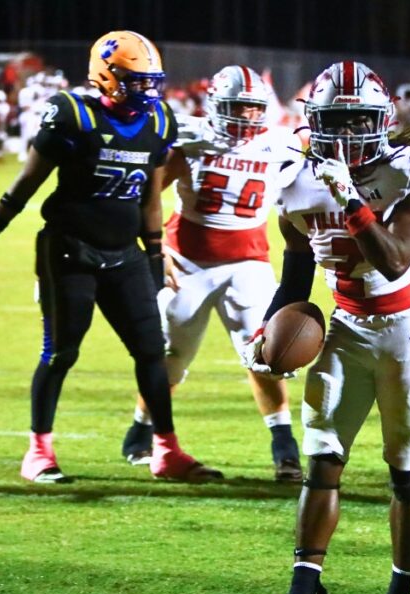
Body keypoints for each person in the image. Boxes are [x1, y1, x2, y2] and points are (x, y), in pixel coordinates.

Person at [0, 30, 222, 485]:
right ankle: (38, 451)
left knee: (152, 352)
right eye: (136, 80)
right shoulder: (73, 114)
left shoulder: (158, 120)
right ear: (106, 76)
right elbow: (27, 183)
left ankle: (166, 450)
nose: (146, 90)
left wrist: (155, 256)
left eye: (150, 81)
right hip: (70, 250)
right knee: (60, 353)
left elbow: (150, 198)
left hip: (125, 254)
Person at [246, 61, 410, 594]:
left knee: (404, 471)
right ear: (315, 121)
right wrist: (268, 331)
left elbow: (395, 261)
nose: (350, 132)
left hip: (405, 334)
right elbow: (297, 273)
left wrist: (351, 201)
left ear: (382, 119)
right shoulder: (295, 178)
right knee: (323, 460)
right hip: (346, 327)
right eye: (337, 120)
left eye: (360, 119)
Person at [118, 65, 304, 482]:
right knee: (171, 356)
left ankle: (284, 447)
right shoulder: (191, 138)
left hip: (249, 263)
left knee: (265, 355)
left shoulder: (283, 145)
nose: (246, 116)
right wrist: (155, 249)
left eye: (253, 108)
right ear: (216, 106)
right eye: (237, 106)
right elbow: (144, 197)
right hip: (187, 262)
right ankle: (141, 430)